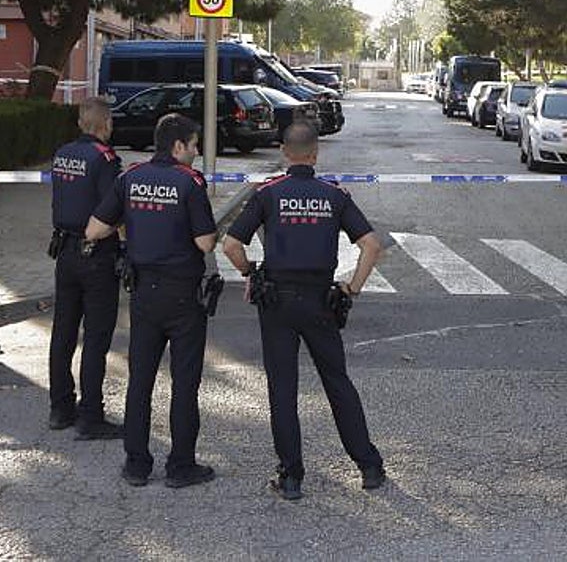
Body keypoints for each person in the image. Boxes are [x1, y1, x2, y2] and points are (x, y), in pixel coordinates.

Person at [222, 121, 386, 501]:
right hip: (319, 301)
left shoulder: (268, 193)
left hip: (277, 301)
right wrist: (351, 287)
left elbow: (231, 244)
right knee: (336, 381)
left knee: (283, 388)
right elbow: (372, 245)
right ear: (315, 155)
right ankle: (369, 466)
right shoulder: (334, 195)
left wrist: (249, 272)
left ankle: (291, 476)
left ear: (284, 152)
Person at [85, 113, 217, 489]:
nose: (195, 152)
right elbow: (205, 242)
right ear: (178, 146)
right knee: (184, 382)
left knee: (140, 380)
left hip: (143, 293)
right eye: (193, 145)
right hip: (182, 295)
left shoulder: (130, 177)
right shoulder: (189, 182)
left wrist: (129, 226)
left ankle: (136, 464)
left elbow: (94, 229)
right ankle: (180, 466)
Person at [48, 96, 124, 440]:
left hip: (64, 251)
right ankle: (90, 415)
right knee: (95, 336)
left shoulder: (62, 153)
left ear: (81, 123)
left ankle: (60, 408)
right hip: (96, 255)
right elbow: (114, 210)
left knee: (63, 331)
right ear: (106, 125)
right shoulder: (104, 159)